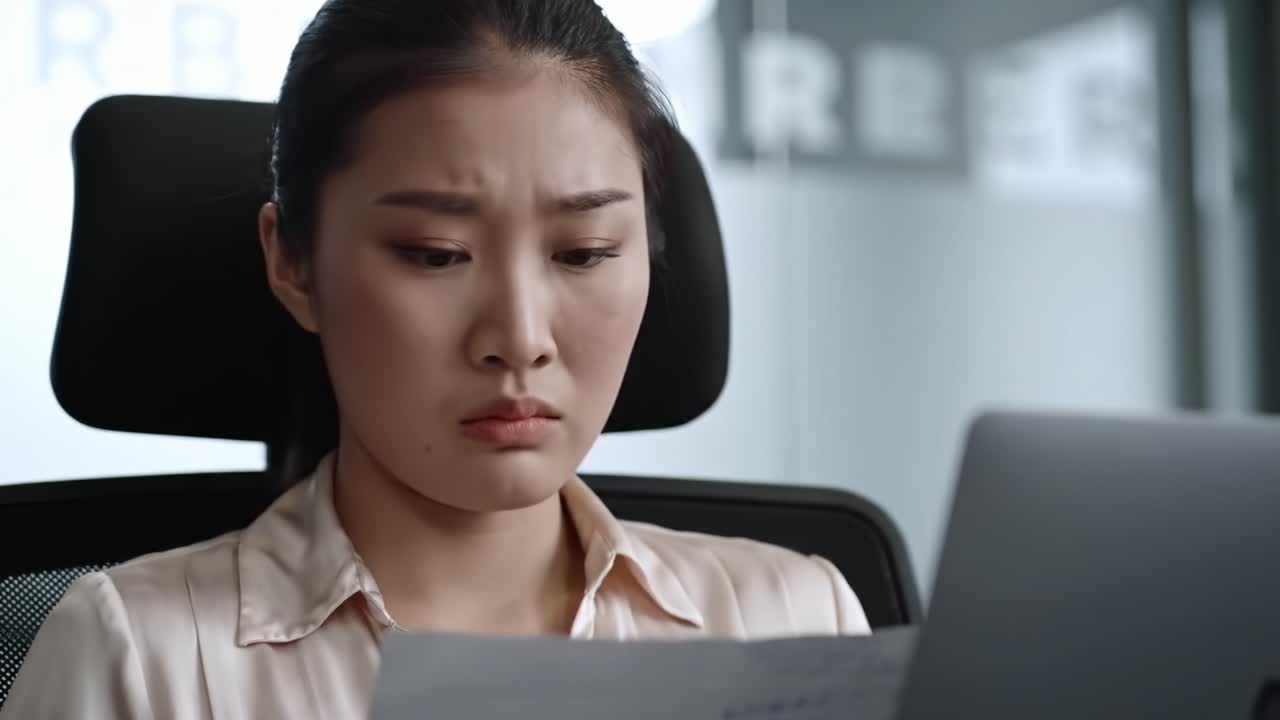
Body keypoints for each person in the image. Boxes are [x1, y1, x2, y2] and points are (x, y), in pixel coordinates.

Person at [1, 1, 870, 716]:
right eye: (434, 253)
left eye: (584, 254)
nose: (521, 336)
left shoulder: (795, 624)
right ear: (293, 261)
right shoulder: (142, 662)